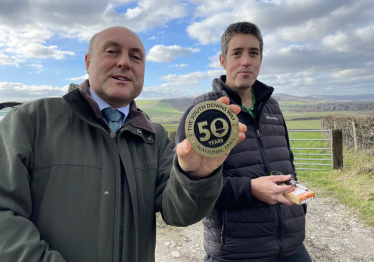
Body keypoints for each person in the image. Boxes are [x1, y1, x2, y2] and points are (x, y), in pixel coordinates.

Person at [0, 26, 246, 262]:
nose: (125, 62)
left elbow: (178, 213)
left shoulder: (155, 137)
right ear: (88, 62)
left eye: (136, 57)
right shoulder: (31, 121)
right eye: (112, 51)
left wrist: (196, 175)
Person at [176, 22, 312, 262]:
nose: (246, 61)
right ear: (222, 60)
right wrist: (250, 189)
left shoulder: (273, 107)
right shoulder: (204, 113)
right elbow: (189, 189)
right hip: (236, 252)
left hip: (292, 248)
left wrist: (298, 203)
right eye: (237, 53)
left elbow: (287, 163)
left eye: (254, 53)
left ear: (261, 59)